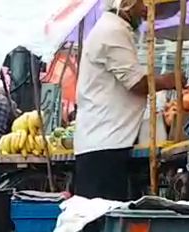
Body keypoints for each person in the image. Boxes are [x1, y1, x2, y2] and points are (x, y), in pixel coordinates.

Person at [74, 0, 179, 200]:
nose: (147, 9)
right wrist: (168, 80)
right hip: (104, 143)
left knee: (106, 216)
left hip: (109, 141)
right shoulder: (112, 31)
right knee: (101, 216)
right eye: (143, 4)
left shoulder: (118, 29)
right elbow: (136, 83)